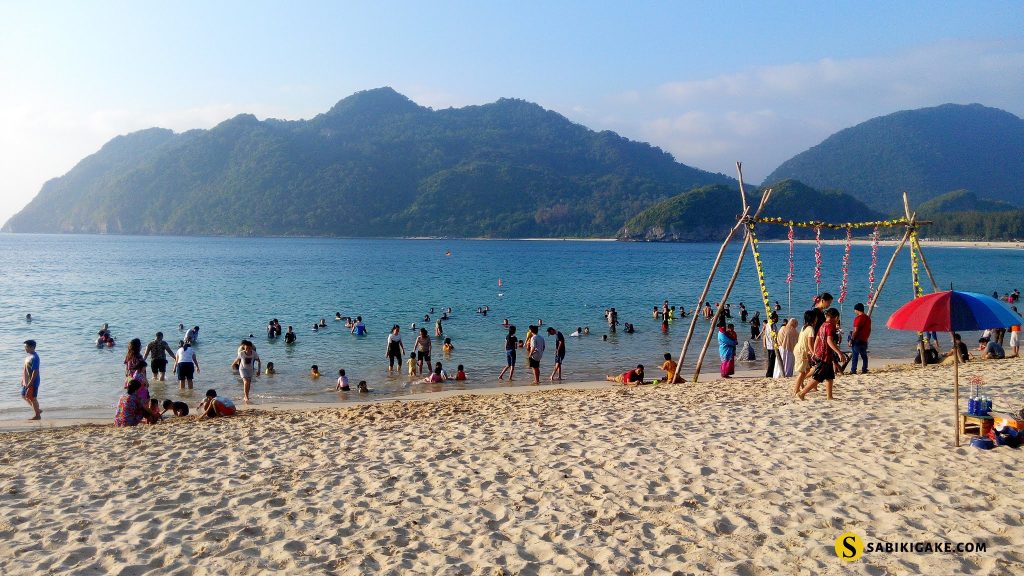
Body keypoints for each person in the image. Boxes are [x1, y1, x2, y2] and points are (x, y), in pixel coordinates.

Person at [798, 308, 846, 400]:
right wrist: (839, 352)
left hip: (822, 354)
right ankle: (802, 393)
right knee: (817, 377)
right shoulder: (831, 326)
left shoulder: (823, 325)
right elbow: (829, 340)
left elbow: (817, 338)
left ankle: (829, 396)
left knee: (829, 377)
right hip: (825, 355)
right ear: (836, 317)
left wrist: (815, 351)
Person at [792, 309, 823, 394]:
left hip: (799, 349)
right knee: (802, 372)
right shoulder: (810, 329)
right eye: (816, 318)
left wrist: (810, 353)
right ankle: (796, 390)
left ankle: (803, 386)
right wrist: (814, 353)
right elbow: (810, 344)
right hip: (801, 351)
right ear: (813, 319)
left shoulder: (804, 327)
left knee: (808, 369)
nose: (817, 320)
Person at [20, 340, 41, 420]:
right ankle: (38, 410)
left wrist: (31, 382)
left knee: (32, 397)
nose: (25, 348)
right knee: (23, 395)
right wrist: (23, 380)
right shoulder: (28, 357)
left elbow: (35, 371)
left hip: (33, 382)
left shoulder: (35, 357)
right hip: (26, 381)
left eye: (26, 347)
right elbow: (25, 369)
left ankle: (37, 415)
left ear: (32, 347)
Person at [848, 303, 871, 373]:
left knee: (855, 355)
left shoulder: (858, 318)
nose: (854, 312)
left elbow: (856, 330)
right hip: (864, 339)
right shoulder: (868, 318)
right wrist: (866, 337)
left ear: (857, 310)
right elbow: (869, 329)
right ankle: (864, 369)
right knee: (864, 355)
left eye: (855, 310)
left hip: (857, 339)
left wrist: (851, 340)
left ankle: (853, 370)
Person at [762, 313, 778, 378]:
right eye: (776, 318)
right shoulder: (771, 325)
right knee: (771, 360)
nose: (777, 319)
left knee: (772, 360)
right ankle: (769, 374)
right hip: (771, 346)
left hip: (771, 345)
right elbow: (772, 335)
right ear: (774, 318)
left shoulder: (770, 324)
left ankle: (771, 373)